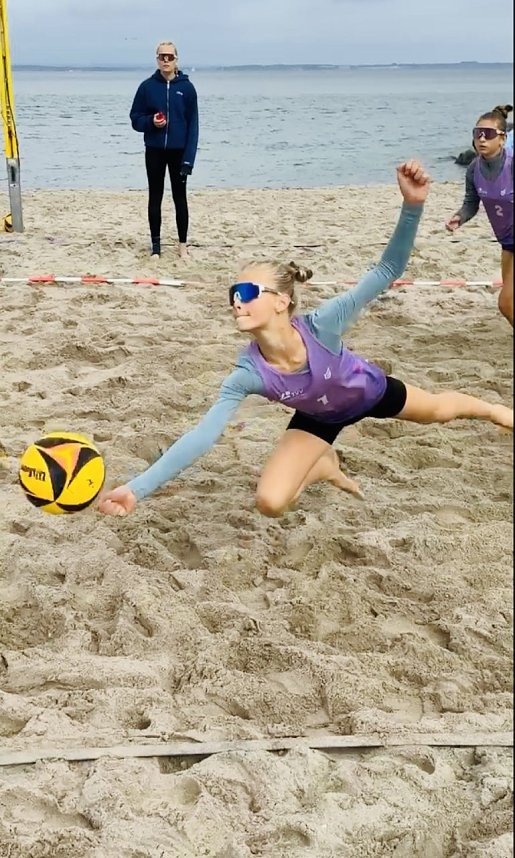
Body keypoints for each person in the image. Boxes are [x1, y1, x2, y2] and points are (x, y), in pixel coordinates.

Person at [98, 161, 513, 519]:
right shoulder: (247, 373)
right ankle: (322, 465)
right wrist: (136, 488)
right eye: (232, 295)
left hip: (372, 391)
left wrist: (412, 206)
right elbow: (202, 437)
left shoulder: (322, 325)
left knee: (440, 409)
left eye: (246, 294)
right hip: (319, 419)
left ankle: (495, 409)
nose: (236, 303)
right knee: (270, 503)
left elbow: (387, 269)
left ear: (281, 302)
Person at [130, 41, 199, 259]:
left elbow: (193, 126)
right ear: (157, 59)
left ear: (177, 58)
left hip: (178, 152)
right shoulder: (147, 87)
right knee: (155, 196)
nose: (166, 60)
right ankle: (156, 247)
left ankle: (182, 245)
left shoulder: (187, 88)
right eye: (162, 57)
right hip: (155, 150)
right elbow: (135, 119)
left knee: (180, 198)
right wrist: (151, 122)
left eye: (170, 56)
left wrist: (189, 159)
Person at [446, 104, 513, 326]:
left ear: (502, 139)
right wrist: (460, 217)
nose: (482, 139)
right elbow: (471, 203)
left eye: (489, 134)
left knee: (506, 303)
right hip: (507, 243)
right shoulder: (473, 169)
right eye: (478, 134)